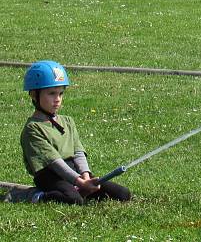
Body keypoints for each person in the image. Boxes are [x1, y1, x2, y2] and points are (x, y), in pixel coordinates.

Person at [20, 60, 131, 205]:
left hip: (74, 173)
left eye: (61, 93)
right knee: (74, 200)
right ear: (34, 95)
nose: (57, 99)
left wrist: (86, 177)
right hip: (51, 176)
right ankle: (36, 195)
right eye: (52, 93)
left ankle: (76, 189)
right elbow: (55, 163)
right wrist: (79, 182)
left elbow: (78, 152)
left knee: (122, 194)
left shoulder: (67, 121)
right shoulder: (33, 129)